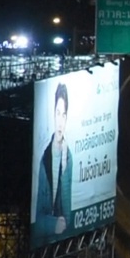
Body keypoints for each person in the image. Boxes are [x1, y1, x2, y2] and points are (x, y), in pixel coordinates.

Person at [35, 83, 73, 240]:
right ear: (53, 114)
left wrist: (64, 170)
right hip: (43, 242)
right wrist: (53, 225)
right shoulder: (44, 160)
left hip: (60, 243)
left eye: (63, 115)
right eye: (58, 113)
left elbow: (67, 219)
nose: (60, 121)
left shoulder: (69, 158)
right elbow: (36, 220)